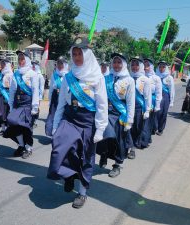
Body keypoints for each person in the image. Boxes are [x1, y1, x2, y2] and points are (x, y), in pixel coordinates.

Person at [47, 37, 109, 209]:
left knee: (86, 157)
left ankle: (82, 192)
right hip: (70, 118)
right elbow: (61, 103)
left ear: (87, 55)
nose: (76, 57)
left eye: (79, 54)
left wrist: (100, 129)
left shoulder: (97, 78)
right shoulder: (68, 77)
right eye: (73, 54)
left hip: (88, 121)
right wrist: (55, 125)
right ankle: (68, 176)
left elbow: (102, 104)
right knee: (61, 148)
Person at [99, 53, 135, 178]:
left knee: (119, 140)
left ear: (124, 64)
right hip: (106, 113)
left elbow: (131, 102)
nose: (116, 65)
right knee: (103, 136)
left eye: (119, 62)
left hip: (120, 114)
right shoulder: (106, 78)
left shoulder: (129, 80)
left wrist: (129, 120)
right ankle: (104, 155)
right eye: (114, 62)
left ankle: (118, 164)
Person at [3, 50, 39, 159]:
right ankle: (21, 145)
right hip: (18, 105)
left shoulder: (33, 74)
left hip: (28, 105)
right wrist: (10, 105)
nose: (20, 61)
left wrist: (35, 107)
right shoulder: (16, 74)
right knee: (13, 123)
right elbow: (12, 91)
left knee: (26, 128)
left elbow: (35, 91)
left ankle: (28, 148)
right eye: (19, 59)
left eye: (22, 58)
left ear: (27, 60)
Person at [128, 57, 152, 158]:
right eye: (132, 65)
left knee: (136, 128)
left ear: (141, 66)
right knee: (128, 128)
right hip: (127, 107)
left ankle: (134, 145)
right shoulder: (126, 78)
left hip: (138, 107)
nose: (134, 67)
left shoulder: (145, 80)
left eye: (136, 65)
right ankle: (130, 147)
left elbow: (147, 96)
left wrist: (147, 110)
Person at [45, 56, 69, 136]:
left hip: (64, 98)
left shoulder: (68, 75)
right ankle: (52, 132)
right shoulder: (54, 75)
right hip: (55, 98)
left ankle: (61, 133)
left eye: (61, 63)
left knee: (63, 116)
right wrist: (50, 100)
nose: (59, 65)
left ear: (65, 64)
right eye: (58, 63)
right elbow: (51, 88)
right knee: (53, 116)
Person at [0, 57, 13, 136]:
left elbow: (12, 88)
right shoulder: (1, 75)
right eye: (1, 63)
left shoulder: (10, 75)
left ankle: (8, 129)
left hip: (7, 96)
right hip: (0, 96)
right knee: (0, 113)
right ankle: (3, 129)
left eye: (3, 63)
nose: (1, 65)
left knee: (7, 112)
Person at [143, 58, 162, 137]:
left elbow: (158, 92)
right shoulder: (140, 77)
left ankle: (150, 132)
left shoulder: (156, 78)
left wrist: (157, 105)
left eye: (147, 65)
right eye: (144, 65)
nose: (145, 67)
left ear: (151, 67)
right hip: (142, 100)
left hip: (152, 100)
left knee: (150, 118)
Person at [155, 61, 175, 135]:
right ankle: (155, 127)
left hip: (165, 96)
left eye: (163, 67)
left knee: (163, 113)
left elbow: (171, 90)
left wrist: (171, 101)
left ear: (166, 68)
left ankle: (161, 129)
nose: (161, 68)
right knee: (156, 112)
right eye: (160, 67)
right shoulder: (155, 76)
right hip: (156, 96)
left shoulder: (169, 78)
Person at [32, 60, 45, 128]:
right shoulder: (30, 74)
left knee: (36, 108)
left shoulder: (40, 76)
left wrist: (40, 97)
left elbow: (41, 87)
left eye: (35, 64)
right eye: (32, 64)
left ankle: (34, 121)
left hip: (37, 96)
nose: (33, 66)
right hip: (31, 94)